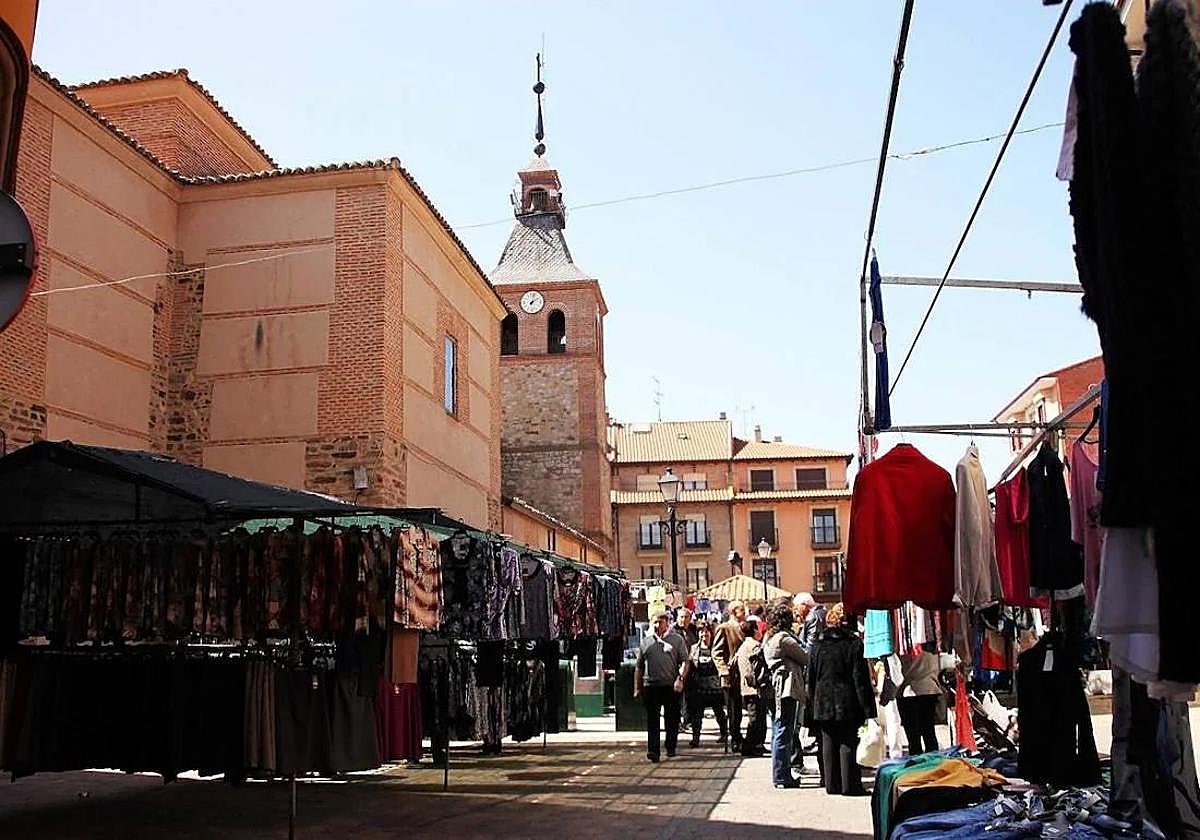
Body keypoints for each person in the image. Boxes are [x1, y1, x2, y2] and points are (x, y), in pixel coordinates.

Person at [806, 603, 876, 796]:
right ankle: (850, 785)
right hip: (847, 700)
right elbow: (860, 679)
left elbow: (810, 677)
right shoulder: (853, 645)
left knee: (827, 741)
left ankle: (832, 784)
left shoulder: (817, 646)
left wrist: (811, 704)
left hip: (822, 700)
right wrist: (868, 709)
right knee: (847, 741)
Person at [763, 601, 808, 789]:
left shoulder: (770, 638)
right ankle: (782, 774)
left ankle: (780, 772)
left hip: (775, 688)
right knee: (784, 730)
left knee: (778, 730)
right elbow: (806, 656)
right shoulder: (784, 639)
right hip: (786, 689)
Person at [634, 611, 689, 763]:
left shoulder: (677, 640)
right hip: (651, 685)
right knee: (652, 720)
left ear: (667, 622)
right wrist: (637, 688)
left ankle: (671, 746)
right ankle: (653, 750)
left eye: (660, 622)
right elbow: (639, 666)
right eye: (655, 622)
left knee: (672, 718)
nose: (658, 625)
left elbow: (685, 661)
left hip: (670, 685)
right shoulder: (646, 642)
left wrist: (681, 678)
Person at [681, 621, 728, 746]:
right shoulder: (694, 648)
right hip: (699, 687)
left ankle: (724, 734)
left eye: (706, 631)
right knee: (697, 714)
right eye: (701, 632)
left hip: (715, 687)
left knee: (719, 713)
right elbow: (689, 665)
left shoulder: (716, 648)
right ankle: (695, 738)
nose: (704, 634)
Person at [712, 600, 747, 752]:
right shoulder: (725, 628)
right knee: (733, 709)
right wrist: (723, 670)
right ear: (734, 612)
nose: (745, 614)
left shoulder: (744, 628)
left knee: (741, 708)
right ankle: (735, 736)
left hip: (743, 674)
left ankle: (740, 736)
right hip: (731, 675)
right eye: (742, 611)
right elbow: (716, 652)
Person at [894, 651, 944, 756]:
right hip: (930, 687)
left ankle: (919, 767)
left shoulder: (904, 642)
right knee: (929, 733)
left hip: (908, 690)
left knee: (914, 739)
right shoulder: (932, 639)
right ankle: (933, 765)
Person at [735, 620, 769, 756]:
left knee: (757, 717)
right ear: (755, 631)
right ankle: (749, 746)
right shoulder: (754, 646)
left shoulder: (743, 646)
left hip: (746, 687)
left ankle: (757, 744)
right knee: (755, 718)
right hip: (755, 688)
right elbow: (758, 667)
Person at [675, 608, 700, 733]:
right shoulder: (673, 631)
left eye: (686, 617)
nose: (683, 620)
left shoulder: (693, 630)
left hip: (692, 667)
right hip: (677, 667)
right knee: (677, 696)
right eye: (681, 617)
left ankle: (688, 720)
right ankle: (678, 722)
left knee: (690, 696)